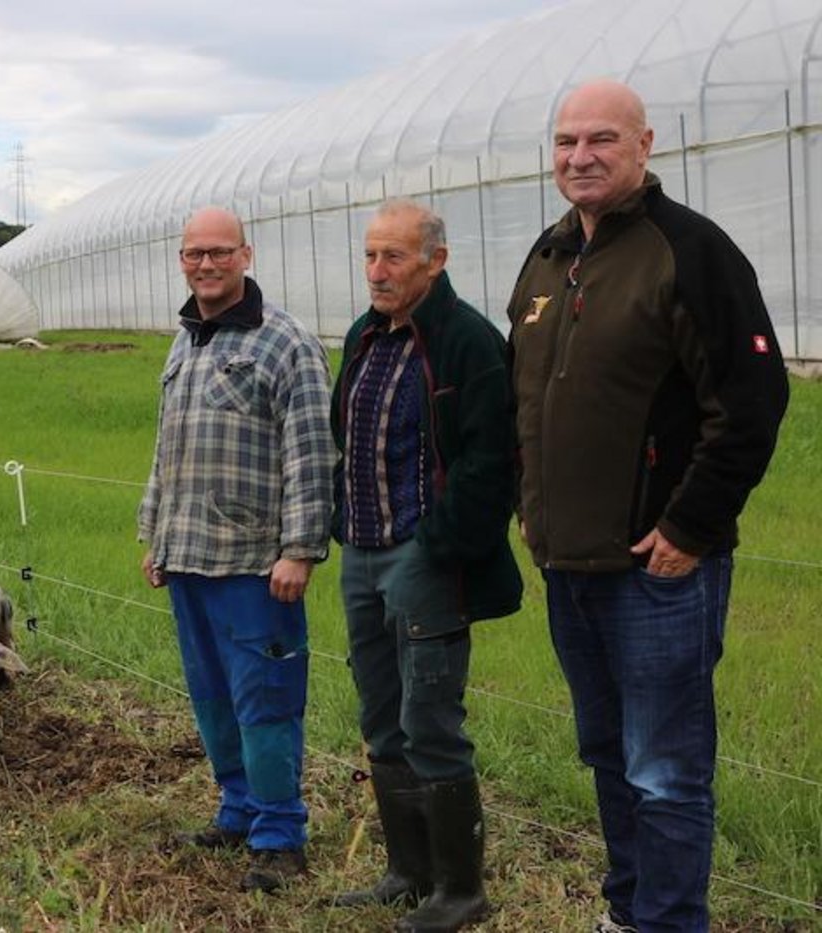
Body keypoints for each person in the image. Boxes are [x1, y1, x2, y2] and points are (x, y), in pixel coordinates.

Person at [508, 79, 790, 933]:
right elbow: (524, 397)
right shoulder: (549, 257)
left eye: (601, 138)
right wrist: (530, 503)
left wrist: (689, 526)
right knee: (606, 752)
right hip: (569, 562)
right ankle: (628, 912)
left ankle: (668, 922)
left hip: (657, 571)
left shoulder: (691, 250)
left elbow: (751, 401)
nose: (580, 156)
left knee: (665, 770)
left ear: (644, 144)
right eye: (566, 141)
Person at [327, 199, 522, 932]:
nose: (377, 271)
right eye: (370, 255)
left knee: (429, 719)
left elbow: (490, 460)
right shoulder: (365, 335)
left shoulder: (467, 340)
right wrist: (343, 525)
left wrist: (437, 547)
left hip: (425, 556)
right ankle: (407, 873)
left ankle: (460, 890)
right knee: (380, 715)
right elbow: (348, 438)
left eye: (394, 257)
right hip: (362, 550)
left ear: (435, 261)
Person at [138, 205, 336, 894]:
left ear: (246, 255)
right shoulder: (185, 341)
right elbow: (166, 448)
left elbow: (312, 454)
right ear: (181, 259)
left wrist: (300, 549)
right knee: (214, 699)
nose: (207, 264)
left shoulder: (285, 343)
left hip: (255, 565)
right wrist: (156, 533)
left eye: (220, 251)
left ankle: (280, 833)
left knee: (266, 700)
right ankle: (238, 808)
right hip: (189, 556)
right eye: (195, 253)